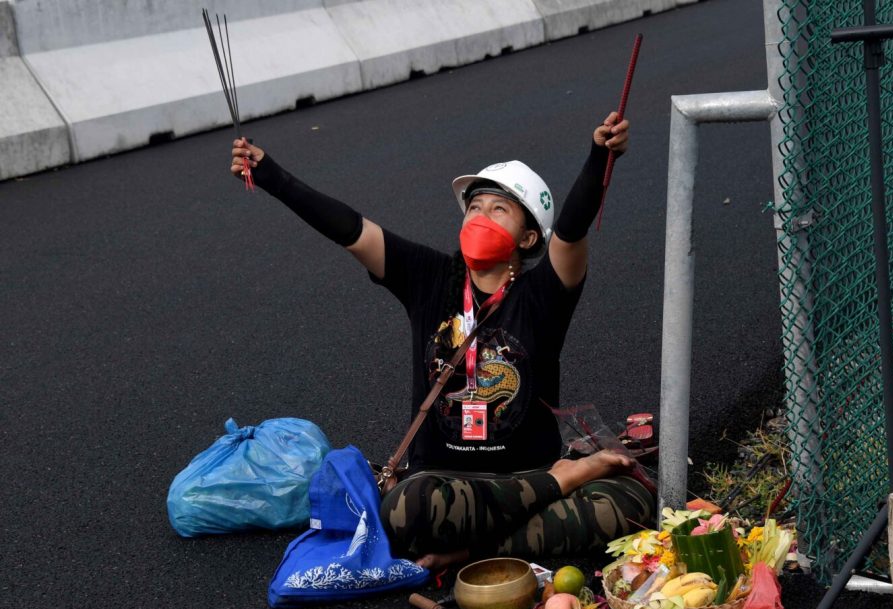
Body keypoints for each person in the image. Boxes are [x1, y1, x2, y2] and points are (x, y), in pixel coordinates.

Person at [229, 112, 655, 570]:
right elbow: (349, 228)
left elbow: (571, 230)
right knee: (407, 507)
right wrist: (269, 173)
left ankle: (479, 547)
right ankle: (564, 482)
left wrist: (599, 156)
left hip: (525, 477)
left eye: (498, 209)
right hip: (445, 487)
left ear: (528, 237)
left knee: (631, 502)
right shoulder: (428, 278)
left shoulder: (544, 293)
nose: (480, 216)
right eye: (474, 207)